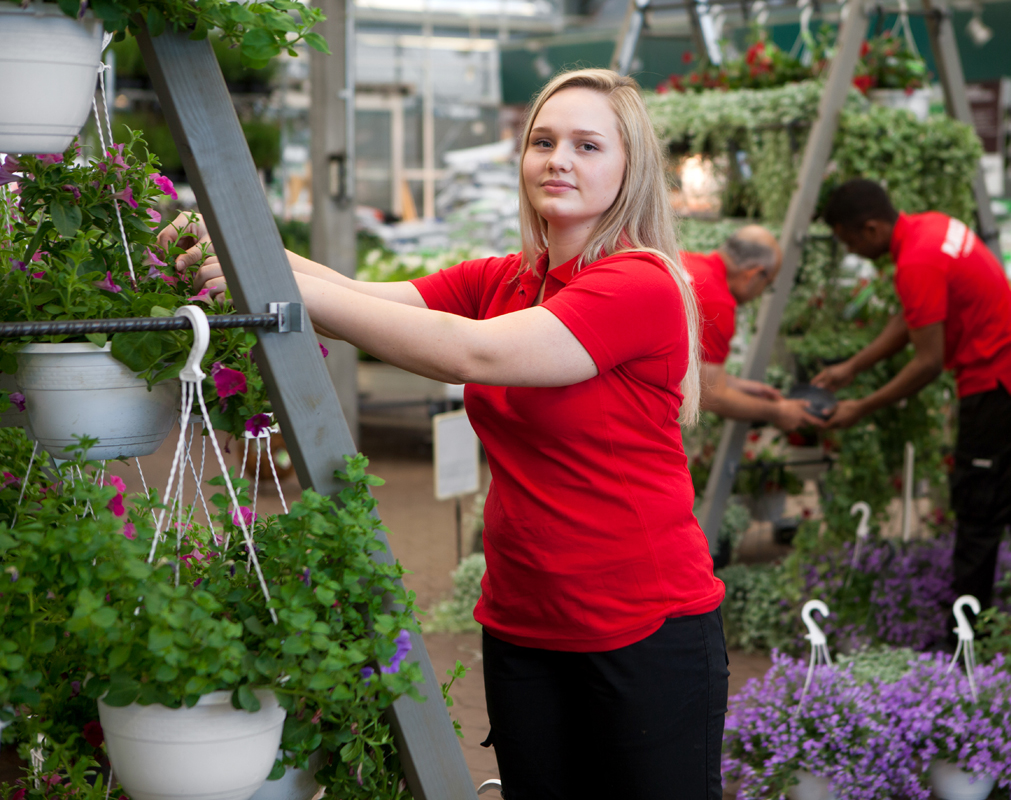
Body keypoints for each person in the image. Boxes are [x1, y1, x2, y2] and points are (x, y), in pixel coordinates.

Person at [168, 69, 728, 800]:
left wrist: (271, 286)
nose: (559, 158)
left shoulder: (640, 284)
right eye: (543, 141)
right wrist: (230, 241)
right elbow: (359, 297)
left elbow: (471, 352)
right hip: (524, 622)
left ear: (630, 169)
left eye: (588, 145)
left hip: (644, 630)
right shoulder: (506, 279)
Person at [813, 179, 1011, 619]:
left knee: (978, 509)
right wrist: (853, 367)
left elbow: (927, 362)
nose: (851, 251)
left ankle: (965, 639)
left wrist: (860, 407)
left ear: (870, 228)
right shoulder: (932, 228)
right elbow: (914, 317)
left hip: (998, 385)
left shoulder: (917, 261)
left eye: (849, 240)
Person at [683, 227, 821, 430]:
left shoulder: (688, 261)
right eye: (768, 284)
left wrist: (738, 385)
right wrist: (779, 411)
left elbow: (699, 376)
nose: (762, 292)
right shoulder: (716, 302)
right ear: (754, 274)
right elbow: (710, 394)